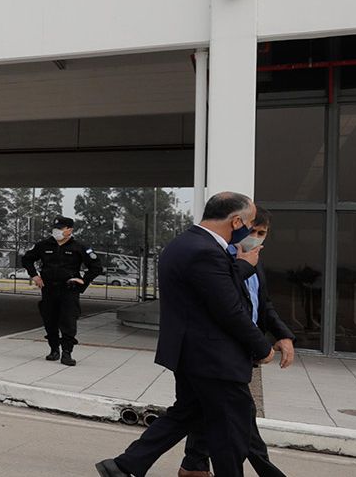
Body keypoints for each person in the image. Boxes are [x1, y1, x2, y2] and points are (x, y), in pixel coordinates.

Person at [97, 192, 274, 477]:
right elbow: (227, 307)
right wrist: (262, 347)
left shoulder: (186, 243)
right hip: (213, 357)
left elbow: (210, 291)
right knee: (231, 431)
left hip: (192, 353)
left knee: (187, 413)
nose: (251, 231)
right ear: (237, 220)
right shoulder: (205, 250)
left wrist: (240, 266)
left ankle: (124, 465)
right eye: (250, 223)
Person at [171, 209, 297, 477]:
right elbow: (225, 308)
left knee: (208, 411)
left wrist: (283, 335)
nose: (255, 238)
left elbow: (265, 305)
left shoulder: (255, 263)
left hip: (240, 350)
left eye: (261, 234)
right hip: (219, 351)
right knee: (241, 419)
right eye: (252, 231)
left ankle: (193, 463)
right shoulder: (219, 259)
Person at [20, 215, 102, 366]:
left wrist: (83, 281)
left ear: (69, 230)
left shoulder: (80, 247)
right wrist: (34, 276)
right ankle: (54, 350)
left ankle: (67, 353)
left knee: (68, 321)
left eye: (60, 228)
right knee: (49, 320)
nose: (56, 231)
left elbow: (96, 267)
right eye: (55, 228)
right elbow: (26, 259)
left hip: (69, 290)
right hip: (48, 289)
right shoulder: (43, 245)